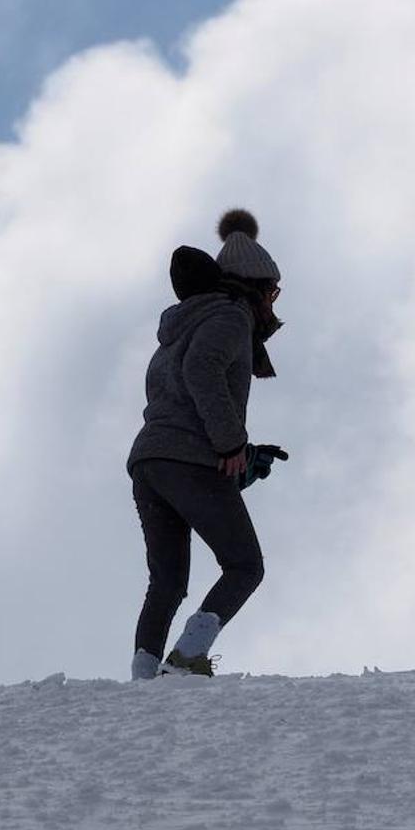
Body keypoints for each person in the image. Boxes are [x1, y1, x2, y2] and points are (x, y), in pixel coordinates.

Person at [126, 208, 285, 679]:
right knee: (244, 565)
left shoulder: (181, 326)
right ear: (254, 286)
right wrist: (231, 443)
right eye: (272, 290)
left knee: (168, 582)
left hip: (151, 462)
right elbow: (203, 374)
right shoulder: (230, 316)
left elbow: (181, 394)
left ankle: (143, 676)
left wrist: (239, 456)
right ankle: (187, 659)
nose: (273, 302)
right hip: (187, 461)